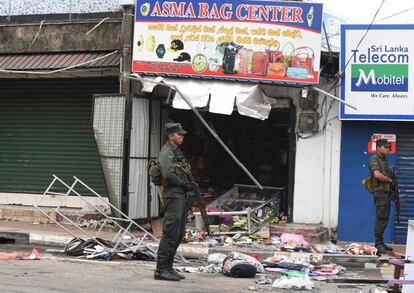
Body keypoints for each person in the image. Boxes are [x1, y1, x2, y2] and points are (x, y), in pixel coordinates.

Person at [154, 122, 193, 281]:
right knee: (170, 232)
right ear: (171, 135)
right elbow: (169, 175)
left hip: (181, 195)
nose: (182, 137)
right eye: (179, 134)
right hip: (173, 195)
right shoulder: (167, 152)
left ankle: (168, 267)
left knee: (178, 234)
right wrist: (184, 184)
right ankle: (161, 269)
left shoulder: (176, 152)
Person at [368, 138, 394, 255]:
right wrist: (389, 180)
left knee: (385, 218)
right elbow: (377, 175)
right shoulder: (374, 159)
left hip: (386, 193)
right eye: (385, 147)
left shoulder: (383, 160)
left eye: (389, 147)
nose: (388, 149)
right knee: (381, 218)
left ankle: (381, 243)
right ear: (378, 147)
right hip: (380, 193)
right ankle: (378, 244)